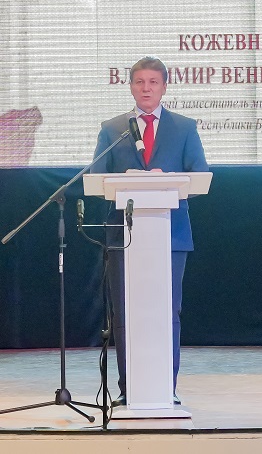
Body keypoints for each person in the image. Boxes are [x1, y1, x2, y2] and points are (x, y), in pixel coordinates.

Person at [90, 56, 209, 407]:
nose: (146, 88)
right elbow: (95, 178)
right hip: (123, 237)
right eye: (139, 82)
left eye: (153, 82)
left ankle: (165, 387)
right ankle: (129, 387)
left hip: (170, 236)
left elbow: (200, 176)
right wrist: (124, 180)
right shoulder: (113, 128)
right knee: (126, 313)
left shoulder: (184, 127)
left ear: (164, 87)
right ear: (130, 87)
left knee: (167, 313)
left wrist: (166, 180)